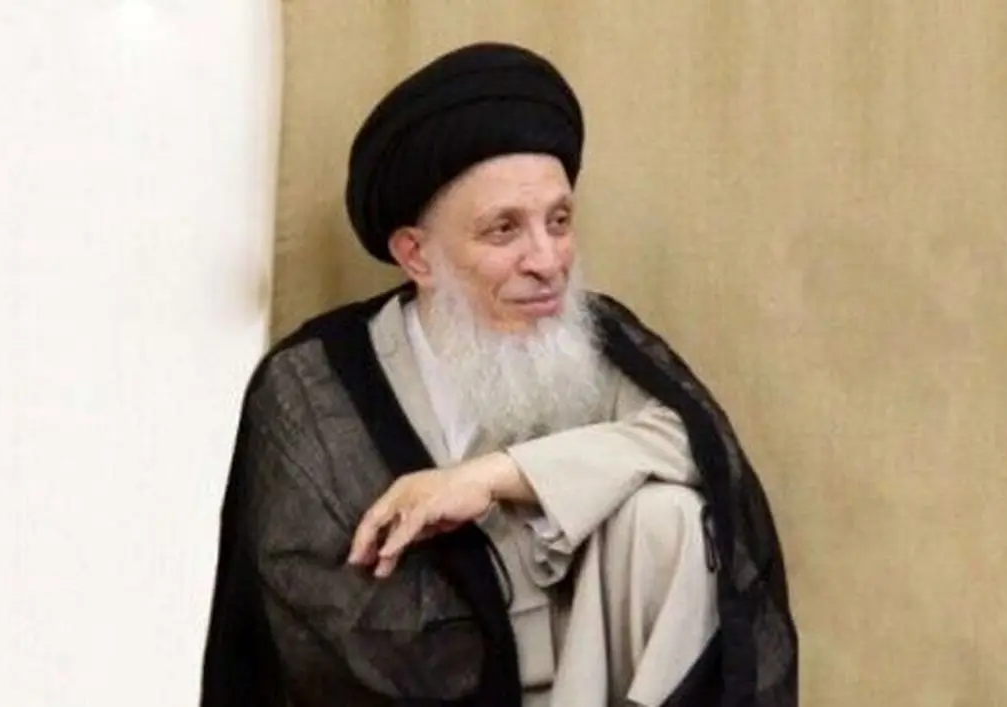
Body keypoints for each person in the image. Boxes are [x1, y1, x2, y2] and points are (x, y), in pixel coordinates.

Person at [199, 42, 797, 707]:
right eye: (504, 230)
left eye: (559, 221)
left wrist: (490, 477)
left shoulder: (589, 340)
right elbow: (308, 631)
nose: (548, 261)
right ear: (417, 255)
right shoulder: (313, 393)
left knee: (670, 517)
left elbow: (697, 445)